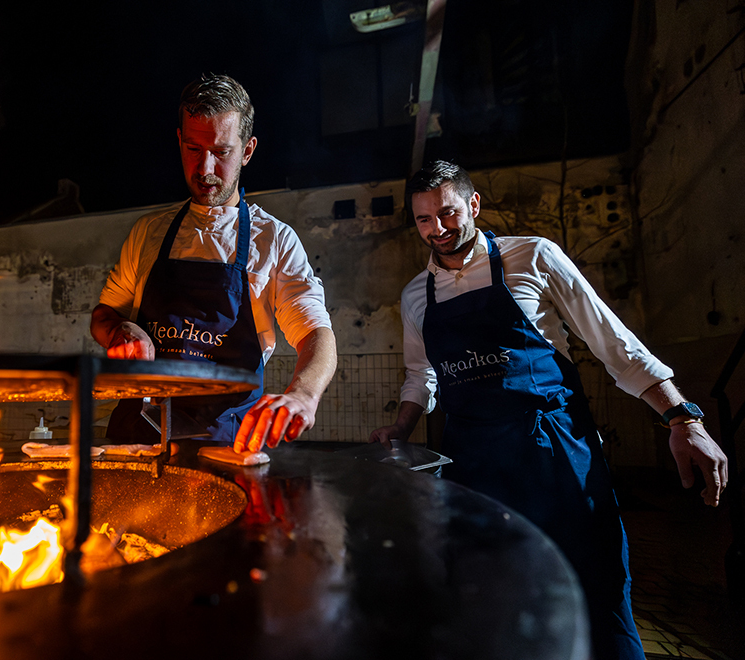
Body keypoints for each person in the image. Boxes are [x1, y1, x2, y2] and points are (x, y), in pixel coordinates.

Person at [370, 160, 728, 660]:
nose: (438, 229)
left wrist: (682, 416)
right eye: (424, 220)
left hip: (556, 453)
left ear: (474, 205)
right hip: (472, 464)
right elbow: (421, 375)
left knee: (597, 586)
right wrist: (402, 428)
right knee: (493, 595)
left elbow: (613, 343)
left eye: (448, 213)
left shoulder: (532, 256)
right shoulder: (415, 296)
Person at [90, 74, 336, 452]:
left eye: (222, 152)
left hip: (226, 444)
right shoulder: (148, 233)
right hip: (135, 439)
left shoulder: (274, 241)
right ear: (179, 141)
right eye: (193, 148)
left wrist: (303, 395)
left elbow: (316, 335)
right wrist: (120, 330)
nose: (205, 168)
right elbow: (104, 314)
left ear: (248, 151)